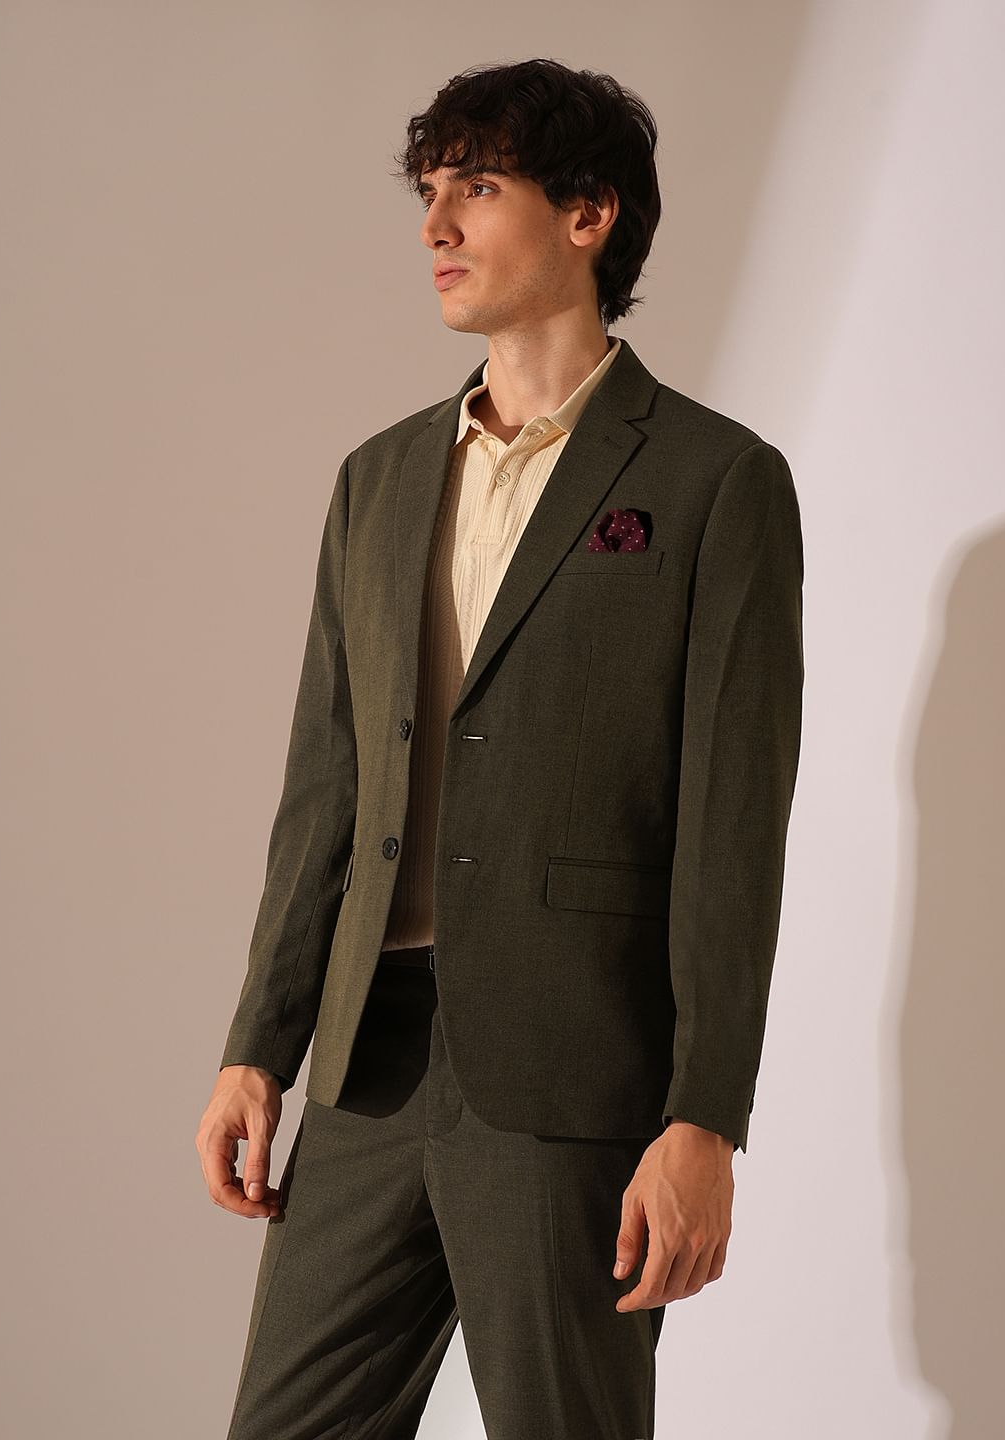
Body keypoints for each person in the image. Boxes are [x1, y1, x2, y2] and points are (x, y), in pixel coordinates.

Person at [196, 56, 804, 1440]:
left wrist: (706, 1116)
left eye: (475, 187)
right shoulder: (379, 480)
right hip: (370, 1065)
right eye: (429, 191)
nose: (436, 226)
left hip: (570, 1072)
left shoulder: (714, 483)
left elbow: (732, 826)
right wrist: (258, 1045)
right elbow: (326, 790)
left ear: (588, 214)